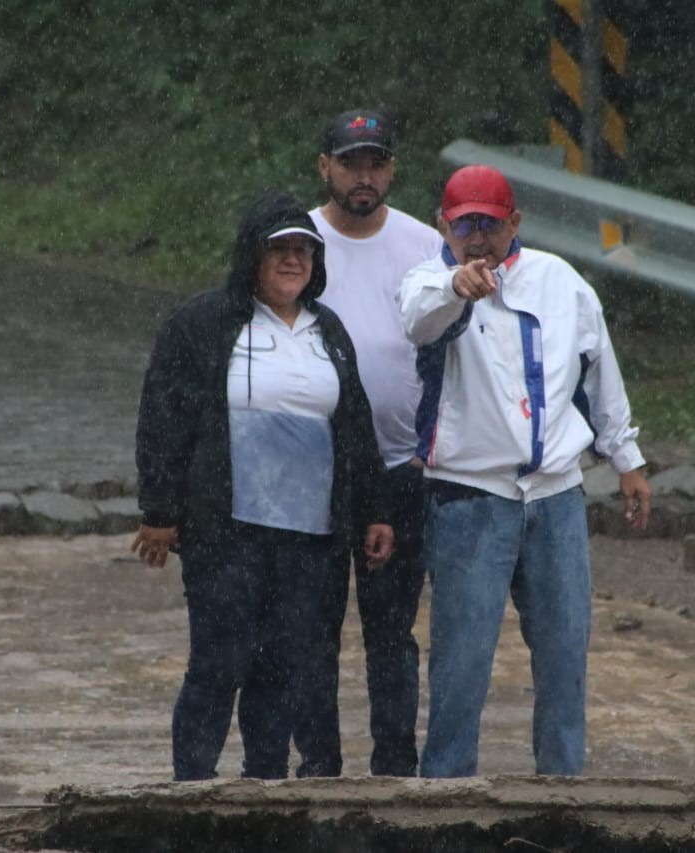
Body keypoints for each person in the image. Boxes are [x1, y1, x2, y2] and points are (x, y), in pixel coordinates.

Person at [398, 164, 652, 778]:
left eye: (490, 225)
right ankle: (447, 795)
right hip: (470, 498)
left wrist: (627, 458)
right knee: (461, 663)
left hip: (556, 496)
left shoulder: (559, 281)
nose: (477, 240)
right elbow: (417, 321)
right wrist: (457, 286)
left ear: (515, 223)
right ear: (443, 225)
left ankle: (562, 788)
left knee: (565, 655)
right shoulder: (429, 282)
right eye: (465, 227)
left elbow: (600, 370)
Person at [132, 191, 394, 781]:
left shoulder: (329, 331)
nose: (292, 260)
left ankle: (265, 786)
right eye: (279, 249)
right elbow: (162, 417)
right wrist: (159, 509)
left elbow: (354, 426)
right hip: (226, 531)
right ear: (252, 255)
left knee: (282, 665)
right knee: (219, 661)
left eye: (304, 250)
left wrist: (375, 511)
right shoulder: (201, 324)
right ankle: (192, 785)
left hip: (310, 539)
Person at [293, 109, 442, 778]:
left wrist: (430, 444)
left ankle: (395, 763)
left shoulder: (420, 242)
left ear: (392, 169)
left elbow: (449, 347)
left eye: (375, 162)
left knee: (392, 632)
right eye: (350, 162)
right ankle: (318, 762)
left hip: (400, 467)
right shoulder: (296, 241)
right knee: (311, 630)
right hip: (314, 471)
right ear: (324, 165)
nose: (363, 176)